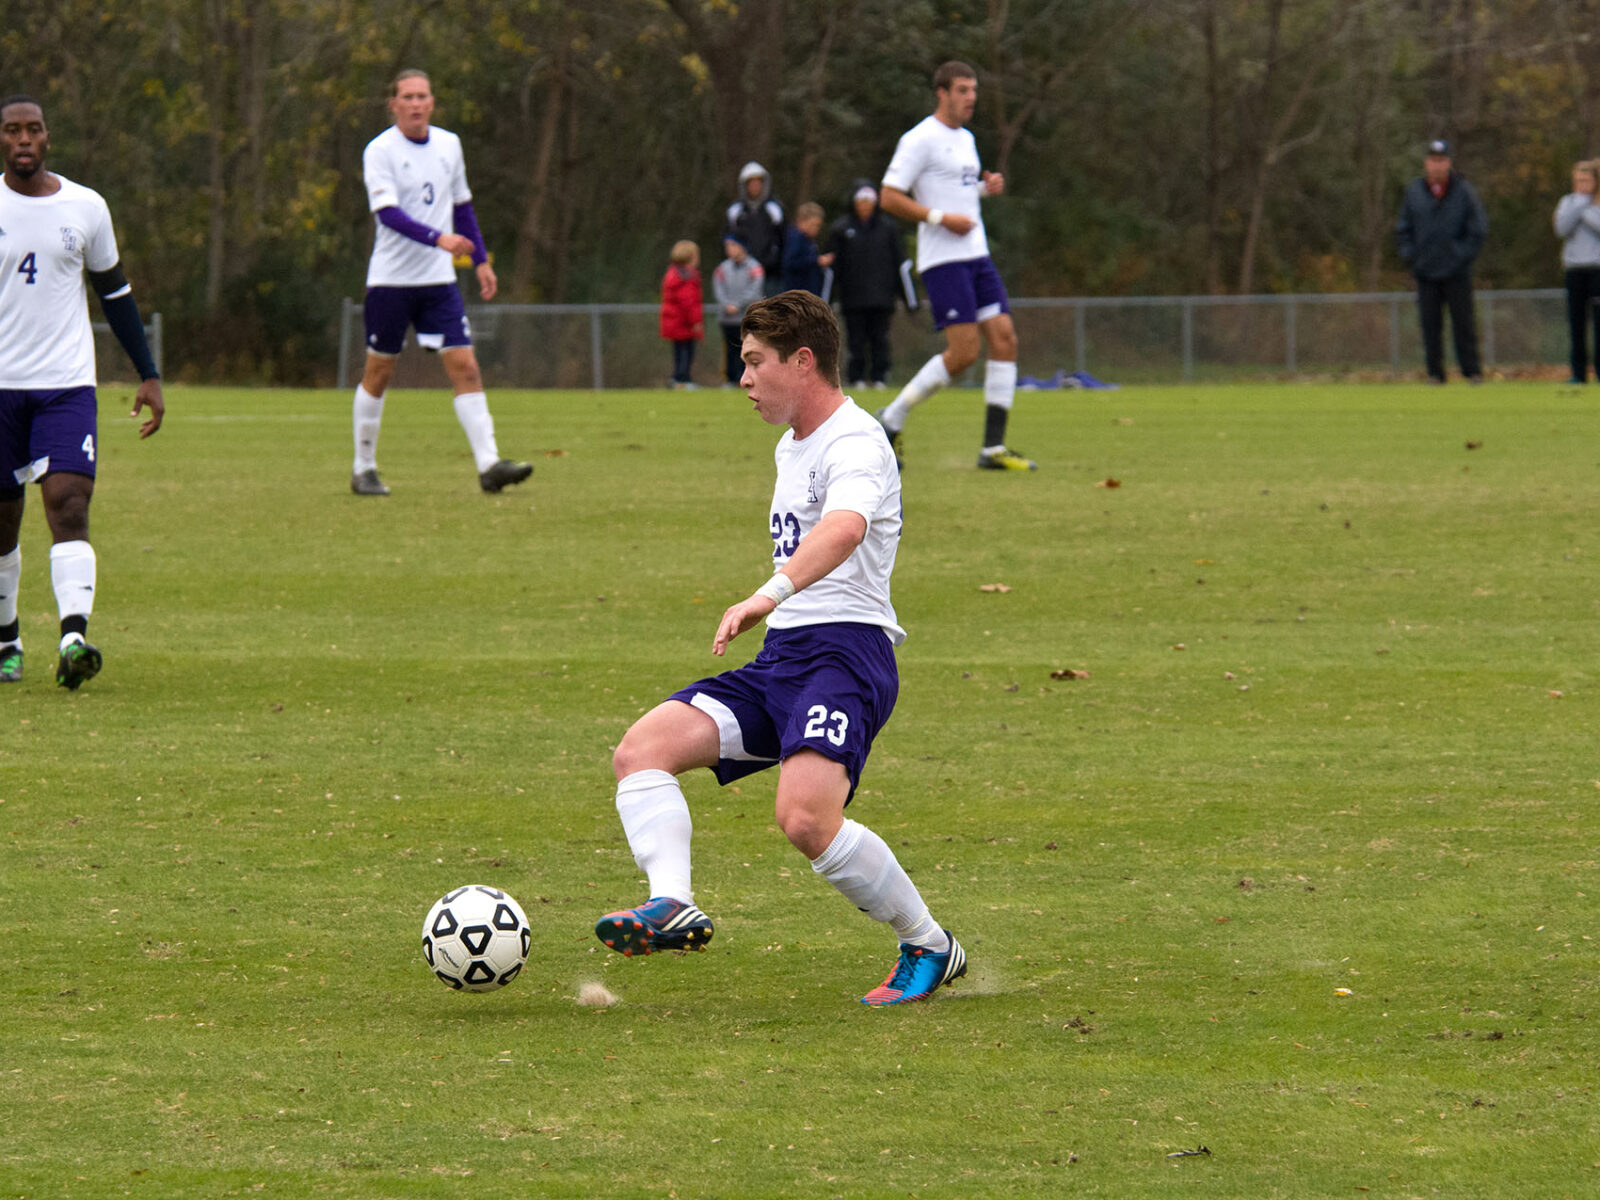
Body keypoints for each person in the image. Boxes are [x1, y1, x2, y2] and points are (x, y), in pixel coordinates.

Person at [593, 290, 967, 1008]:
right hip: (785, 661)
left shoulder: (857, 443)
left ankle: (928, 943)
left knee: (805, 819)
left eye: (755, 362)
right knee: (641, 751)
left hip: (846, 657)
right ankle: (671, 904)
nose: (744, 379)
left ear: (803, 362)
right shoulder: (789, 445)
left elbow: (846, 528)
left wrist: (770, 593)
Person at [0, 95, 164, 690]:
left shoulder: (86, 206)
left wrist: (147, 372)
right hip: (0, 390)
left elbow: (115, 293)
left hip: (66, 385)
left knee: (69, 502)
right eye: (12, 130)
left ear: (47, 138)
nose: (24, 139)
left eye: (34, 130)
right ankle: (6, 636)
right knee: (3, 523)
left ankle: (73, 638)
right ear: (1, 140)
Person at [350, 69, 531, 496]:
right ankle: (363, 468)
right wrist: (439, 238)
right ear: (393, 103)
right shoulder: (380, 151)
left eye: (423, 96)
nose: (416, 104)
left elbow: (462, 206)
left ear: (432, 102)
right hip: (391, 282)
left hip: (438, 282)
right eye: (407, 97)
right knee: (379, 371)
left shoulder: (449, 145)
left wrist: (481, 261)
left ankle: (489, 465)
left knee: (466, 366)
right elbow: (388, 215)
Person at [875, 61, 1034, 471]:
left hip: (976, 255)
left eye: (974, 90)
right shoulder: (919, 139)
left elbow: (958, 191)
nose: (971, 98)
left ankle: (992, 449)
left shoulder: (966, 139)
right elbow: (889, 196)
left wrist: (984, 188)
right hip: (943, 260)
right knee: (963, 353)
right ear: (942, 93)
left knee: (1005, 339)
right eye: (963, 90)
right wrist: (939, 218)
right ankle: (891, 419)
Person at [1394, 138, 1488, 385]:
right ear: (1426, 163)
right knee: (1430, 326)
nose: (1437, 166)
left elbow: (1477, 230)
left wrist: (1460, 255)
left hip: (1457, 271)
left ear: (1448, 163)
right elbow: (1403, 228)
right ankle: (1435, 373)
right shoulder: (1415, 191)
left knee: (1464, 324)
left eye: (1441, 160)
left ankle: (1472, 371)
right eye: (1433, 161)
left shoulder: (1464, 191)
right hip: (1426, 271)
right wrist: (1411, 255)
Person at [825, 180, 918, 389]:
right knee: (855, 340)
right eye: (861, 201)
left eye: (869, 201)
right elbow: (832, 269)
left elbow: (900, 266)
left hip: (882, 298)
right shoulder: (841, 229)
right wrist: (825, 301)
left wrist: (909, 300)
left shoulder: (888, 228)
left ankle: (880, 377)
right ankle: (856, 377)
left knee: (880, 340)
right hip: (853, 298)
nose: (865, 205)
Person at [1553, 160, 1600, 384]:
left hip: (1597, 270)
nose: (1582, 185)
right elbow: (1561, 227)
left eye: (1587, 180)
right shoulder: (1568, 202)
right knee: (1576, 324)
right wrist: (1581, 205)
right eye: (1578, 180)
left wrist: (1586, 209)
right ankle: (1578, 373)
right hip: (1574, 270)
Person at [724, 161, 786, 297]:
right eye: (750, 183)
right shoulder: (736, 211)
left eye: (758, 182)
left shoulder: (774, 209)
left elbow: (782, 239)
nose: (754, 187)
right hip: (743, 272)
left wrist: (773, 260)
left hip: (770, 273)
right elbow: (728, 239)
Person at [712, 236, 765, 386]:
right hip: (727, 318)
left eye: (733, 245)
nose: (729, 249)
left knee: (748, 349)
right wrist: (727, 304)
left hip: (746, 317)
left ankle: (747, 379)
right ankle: (730, 379)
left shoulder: (754, 267)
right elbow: (718, 289)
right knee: (730, 350)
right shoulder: (722, 268)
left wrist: (738, 304)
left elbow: (754, 290)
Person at [659, 240, 704, 389]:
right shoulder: (687, 276)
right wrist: (696, 322)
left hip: (673, 321)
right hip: (683, 323)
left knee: (678, 351)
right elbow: (688, 301)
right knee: (686, 351)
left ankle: (677, 378)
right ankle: (683, 380)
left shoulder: (673, 273)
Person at [780, 201, 828, 296]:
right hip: (798, 293)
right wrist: (816, 261)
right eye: (813, 224)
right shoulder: (796, 238)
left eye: (819, 226)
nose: (816, 229)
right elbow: (790, 263)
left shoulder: (809, 240)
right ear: (801, 221)